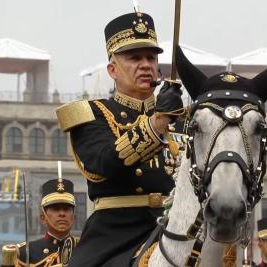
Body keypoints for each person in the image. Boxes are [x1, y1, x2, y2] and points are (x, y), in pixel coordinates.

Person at [55, 11, 184, 267]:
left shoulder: (179, 120)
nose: (146, 64)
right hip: (115, 231)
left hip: (176, 225)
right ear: (113, 69)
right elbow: (103, 163)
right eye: (134, 58)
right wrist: (156, 124)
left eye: (151, 57)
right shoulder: (92, 114)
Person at [1, 178, 79, 267]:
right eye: (55, 209)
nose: (62, 214)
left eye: (66, 209)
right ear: (43, 218)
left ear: (74, 217)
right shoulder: (24, 253)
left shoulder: (86, 250)